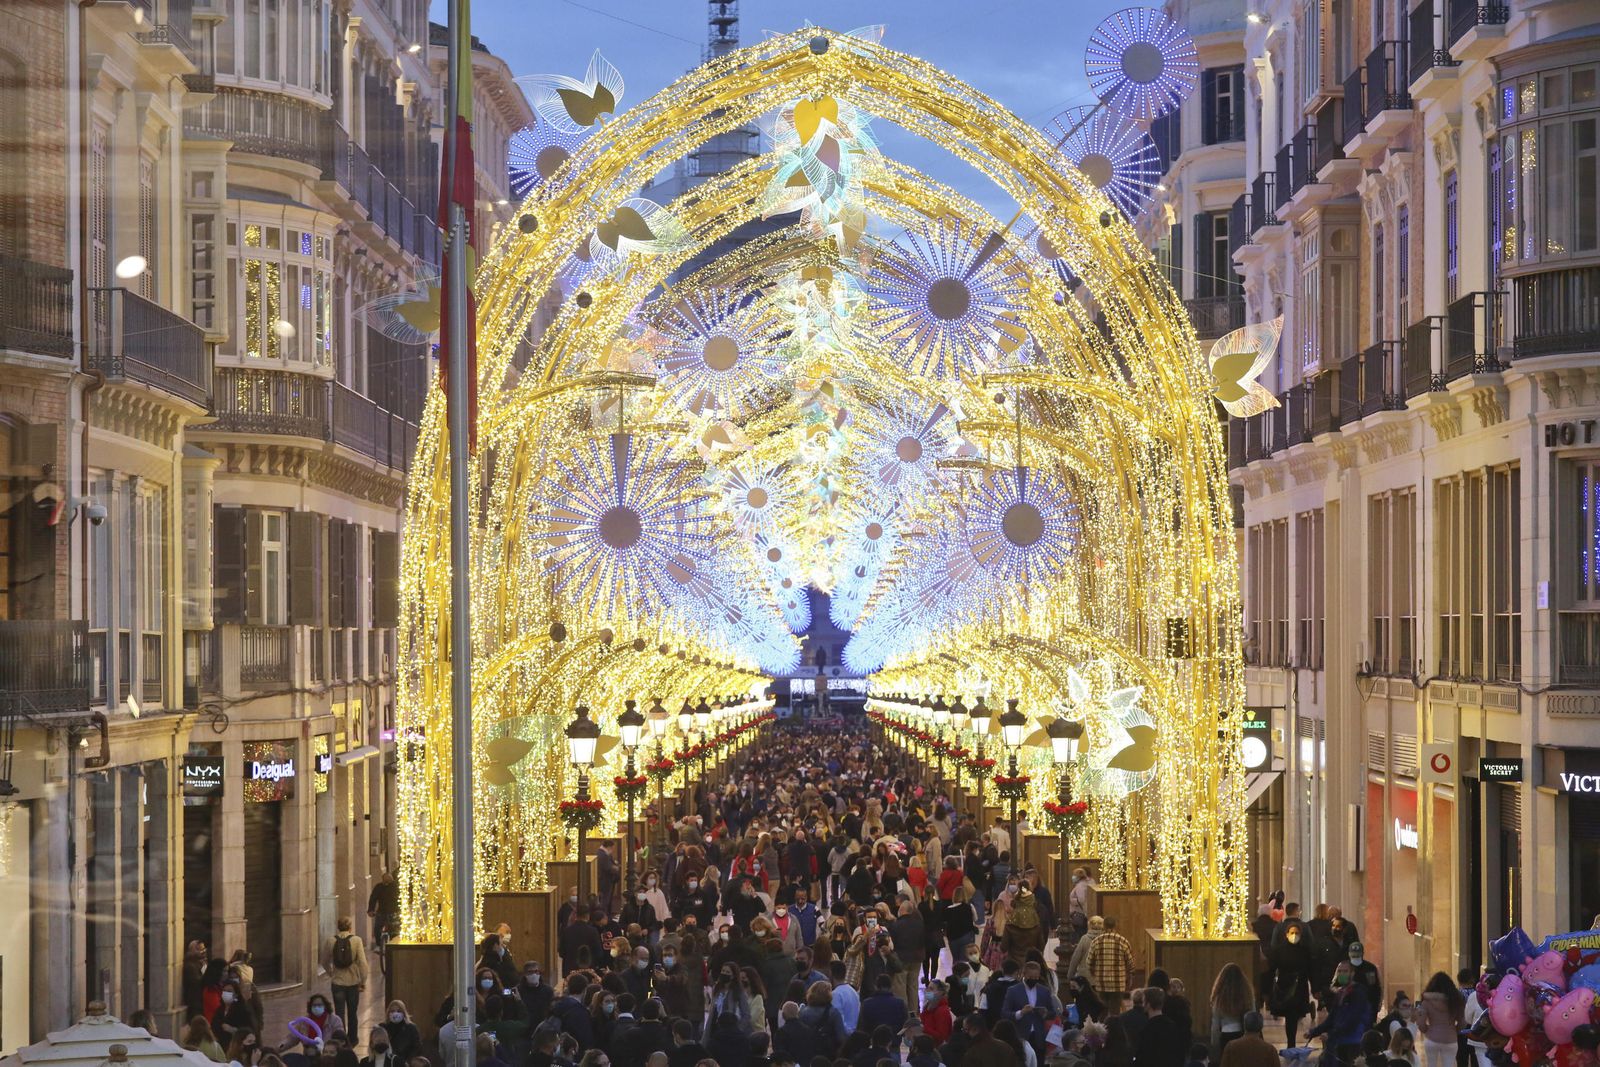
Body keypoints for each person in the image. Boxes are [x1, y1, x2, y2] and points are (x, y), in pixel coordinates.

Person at [1307, 964, 1369, 1067]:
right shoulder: (1341, 993)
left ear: (1352, 974)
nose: (1341, 974)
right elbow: (1332, 1018)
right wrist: (1314, 1032)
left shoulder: (1358, 993)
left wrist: (1330, 1034)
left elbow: (1352, 1020)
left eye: (1345, 971)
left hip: (1352, 1042)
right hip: (1337, 1041)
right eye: (1339, 971)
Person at [1002, 961, 1060, 1066]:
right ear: (1024, 974)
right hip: (1021, 1035)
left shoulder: (1044, 991)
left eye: (1036, 977)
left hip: (1039, 1036)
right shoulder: (1013, 990)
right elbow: (1005, 1013)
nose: (1034, 979)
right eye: (1031, 977)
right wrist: (1021, 1013)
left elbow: (1052, 1012)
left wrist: (1045, 1014)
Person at [324, 917, 369, 1031]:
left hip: (337, 982)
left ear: (338, 927)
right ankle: (353, 1038)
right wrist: (363, 981)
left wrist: (331, 973)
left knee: (339, 1013)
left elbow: (324, 962)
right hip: (353, 982)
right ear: (350, 927)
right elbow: (363, 963)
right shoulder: (357, 940)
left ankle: (341, 1038)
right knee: (352, 1013)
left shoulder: (330, 941)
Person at [1086, 918, 1134, 1012]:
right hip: (1118, 983)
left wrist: (1094, 973)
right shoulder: (1123, 941)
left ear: (1103, 926)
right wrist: (1130, 977)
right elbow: (1131, 963)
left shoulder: (1096, 941)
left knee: (1102, 1011)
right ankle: (1113, 1025)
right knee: (1115, 1011)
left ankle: (1103, 1026)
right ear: (1115, 926)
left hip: (1101, 982)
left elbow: (1089, 963)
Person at [1419, 973, 1465, 1067]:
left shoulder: (1426, 1001)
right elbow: (1462, 1022)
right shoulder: (1455, 1000)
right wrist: (1455, 1030)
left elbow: (1421, 1023)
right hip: (1450, 1038)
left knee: (1431, 1064)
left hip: (1432, 1038)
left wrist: (1427, 1030)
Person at [1133, 988, 1188, 1067]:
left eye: (1143, 1001)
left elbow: (1142, 1057)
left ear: (1148, 1004)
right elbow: (1179, 1053)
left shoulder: (1146, 1028)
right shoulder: (1172, 1026)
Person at [1208, 964, 1251, 1059]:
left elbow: (1215, 1024)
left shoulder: (1219, 998)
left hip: (1225, 1035)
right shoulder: (1247, 995)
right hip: (1243, 1034)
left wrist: (1214, 1042)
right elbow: (1252, 1016)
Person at [1348, 943, 1382, 1024]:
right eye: (1354, 956)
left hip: (1368, 1008)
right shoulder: (1344, 968)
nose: (1356, 958)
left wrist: (1376, 1006)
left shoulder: (1370, 968)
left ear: (1362, 954)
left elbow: (1376, 988)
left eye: (1357, 956)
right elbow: (1338, 987)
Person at [921, 980, 955, 1044]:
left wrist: (923, 1029)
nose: (927, 991)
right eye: (927, 988)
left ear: (940, 992)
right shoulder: (928, 1007)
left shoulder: (942, 1011)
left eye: (931, 989)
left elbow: (942, 1036)